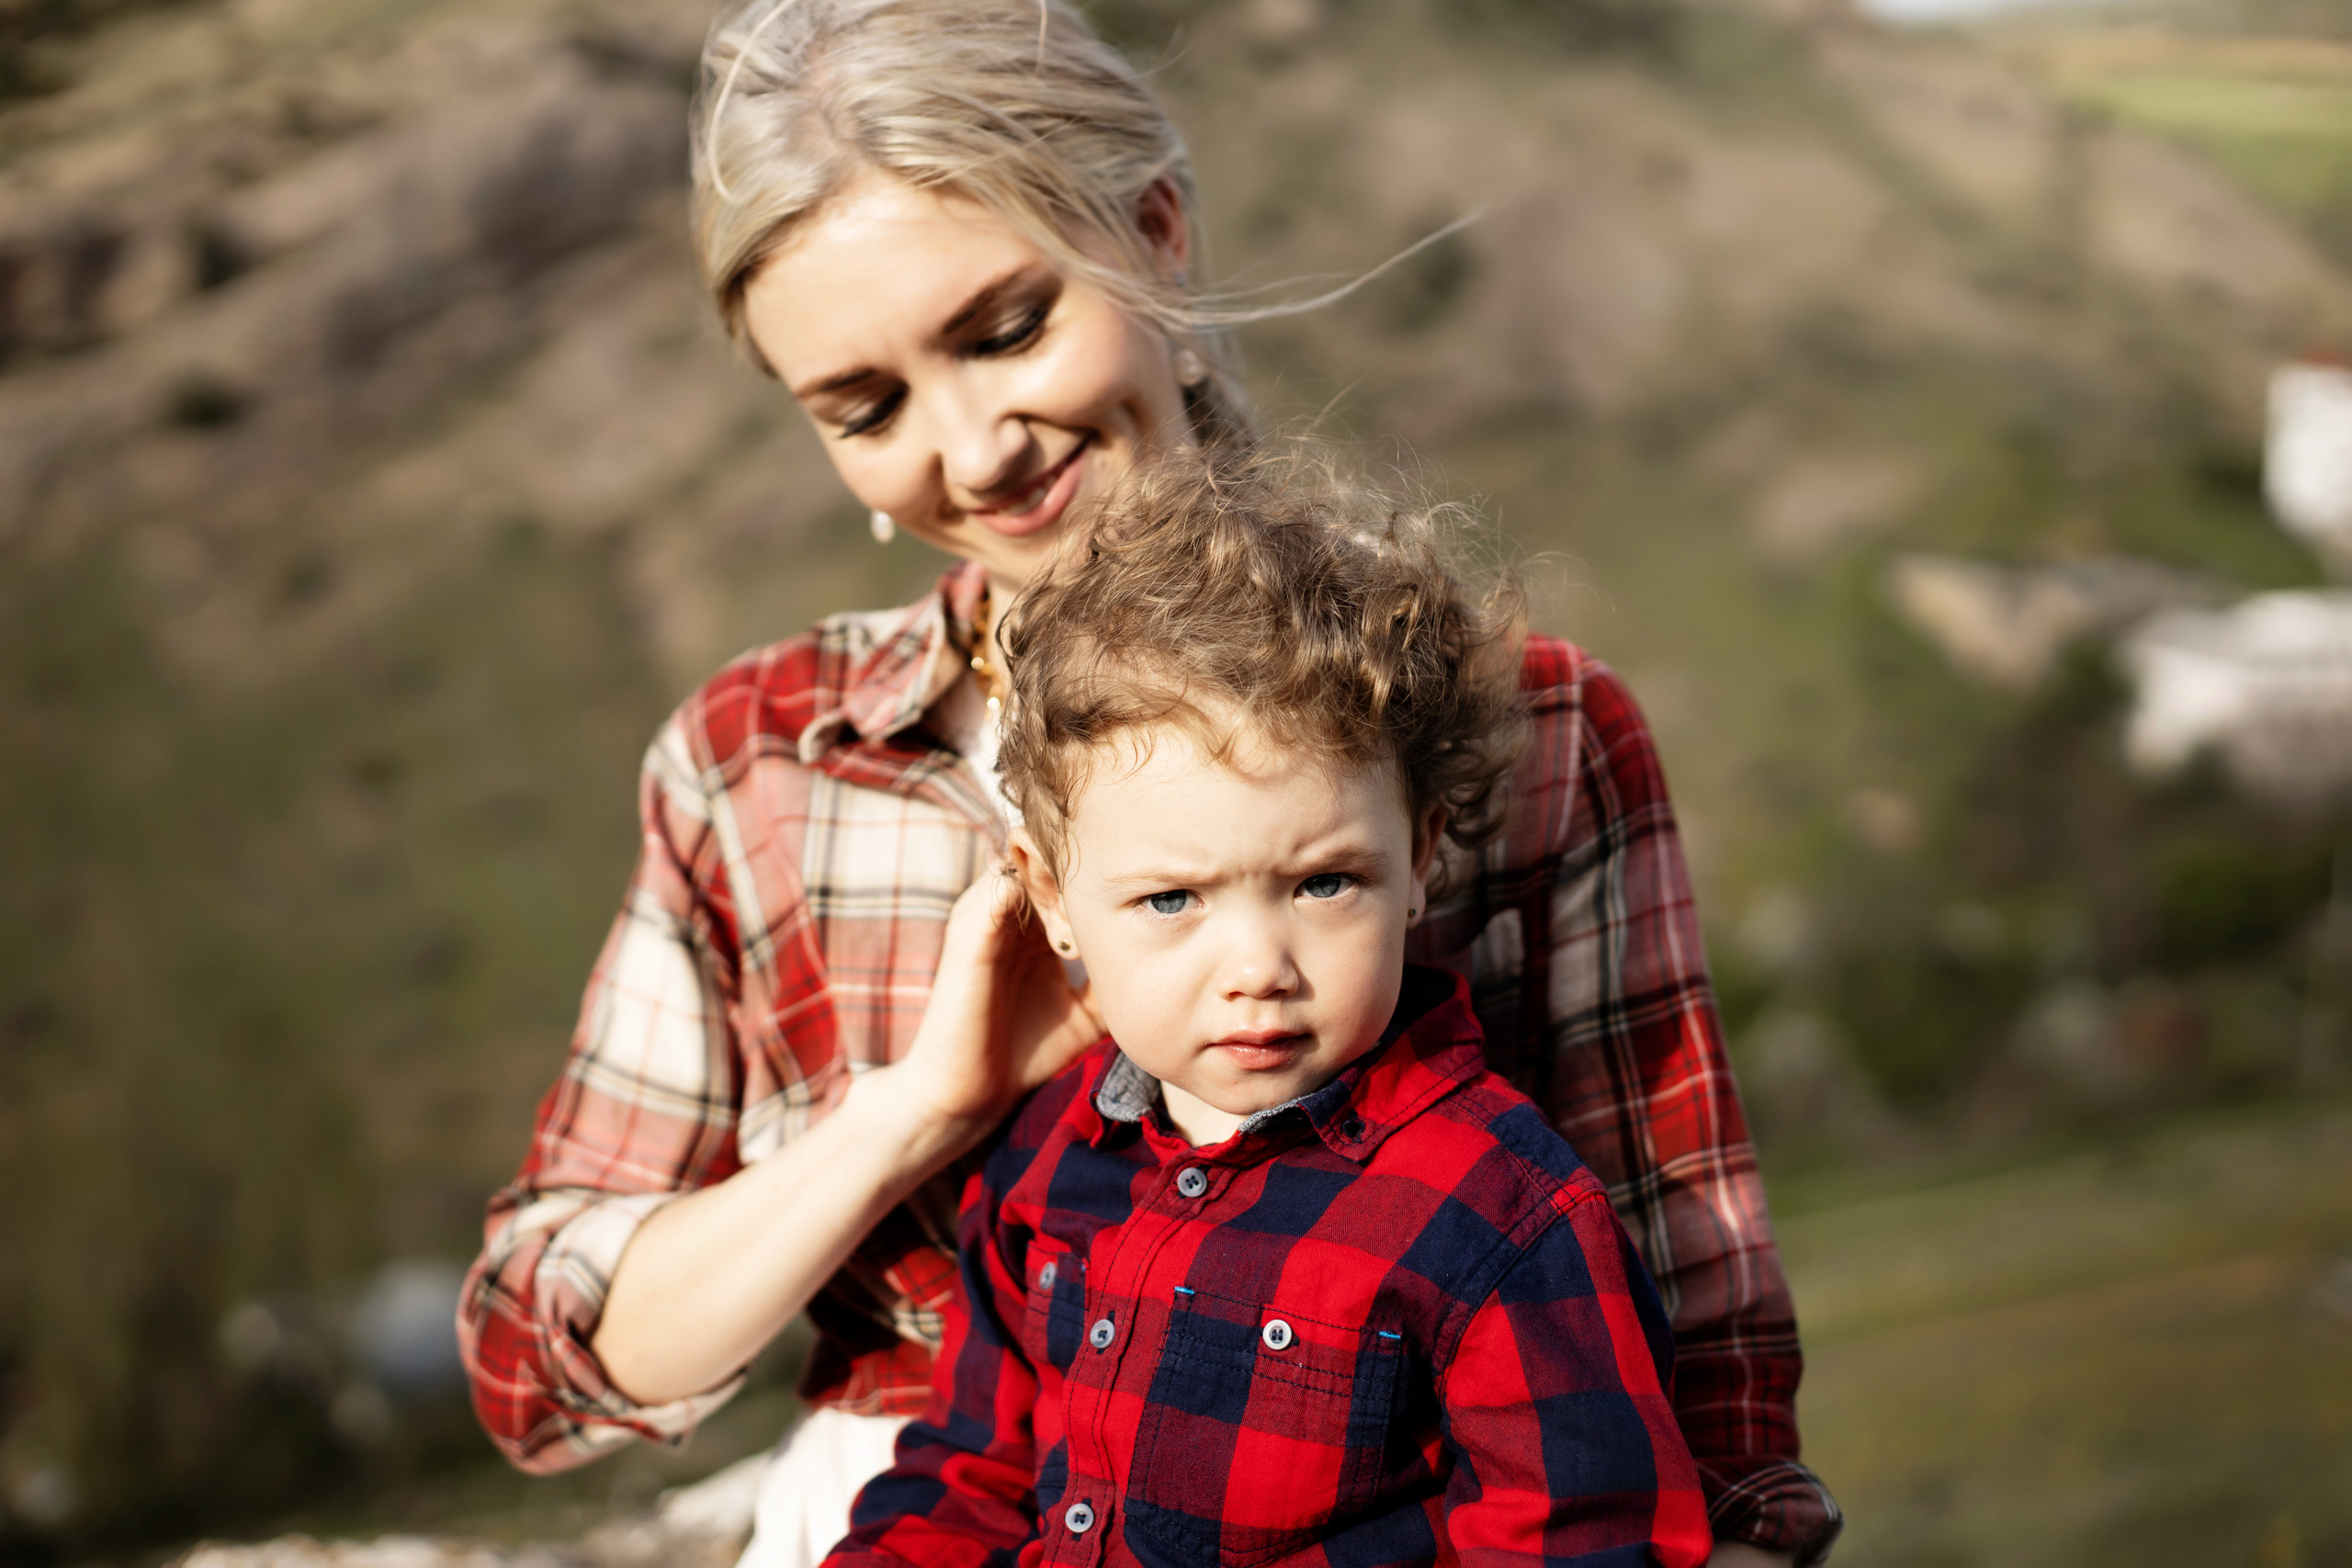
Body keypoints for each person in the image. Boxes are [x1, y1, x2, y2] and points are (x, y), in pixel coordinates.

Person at [455, 2, 1839, 1564]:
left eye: (1006, 329)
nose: (973, 450)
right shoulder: (761, 761)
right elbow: (533, 1365)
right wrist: (918, 1114)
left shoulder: (1527, 723)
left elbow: (1700, 1344)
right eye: (867, 407)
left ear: (1156, 237)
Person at [825, 454, 1713, 1568]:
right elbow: (967, 1473)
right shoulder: (1046, 1166)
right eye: (1170, 900)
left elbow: (1580, 1542)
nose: (1256, 966)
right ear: (1051, 898)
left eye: (1321, 884)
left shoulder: (1501, 1217)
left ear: (1420, 855)